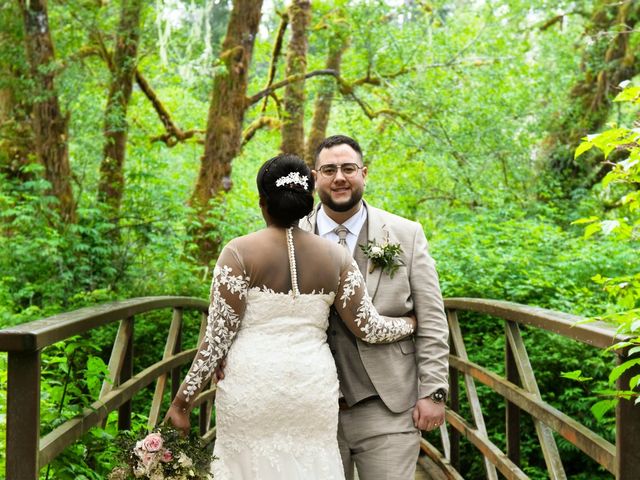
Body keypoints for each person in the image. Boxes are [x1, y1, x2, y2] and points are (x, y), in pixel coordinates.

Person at [165, 153, 417, 480]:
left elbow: (215, 341)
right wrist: (409, 324)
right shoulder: (337, 257)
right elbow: (368, 327)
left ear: (262, 202)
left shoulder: (238, 252)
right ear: (307, 200)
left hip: (250, 383)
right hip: (311, 387)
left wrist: (182, 403)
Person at [300, 135, 450, 480]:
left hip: (388, 407)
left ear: (364, 173)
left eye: (349, 168)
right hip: (312, 409)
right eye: (329, 169)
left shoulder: (406, 234)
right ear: (315, 177)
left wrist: (434, 392)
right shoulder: (293, 236)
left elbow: (432, 320)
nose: (340, 177)